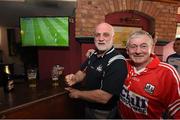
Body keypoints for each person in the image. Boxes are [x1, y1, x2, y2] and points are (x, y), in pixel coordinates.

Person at [65, 22, 128, 119]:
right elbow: (83, 71)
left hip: (102, 112)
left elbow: (104, 97)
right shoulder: (94, 54)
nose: (101, 38)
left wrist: (78, 94)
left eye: (105, 35)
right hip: (88, 105)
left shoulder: (117, 61)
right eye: (97, 35)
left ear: (113, 38)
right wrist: (75, 78)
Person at [118, 30, 180, 119]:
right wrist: (94, 53)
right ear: (127, 50)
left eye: (143, 46)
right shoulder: (123, 65)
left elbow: (177, 111)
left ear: (152, 48)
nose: (138, 51)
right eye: (133, 46)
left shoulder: (166, 72)